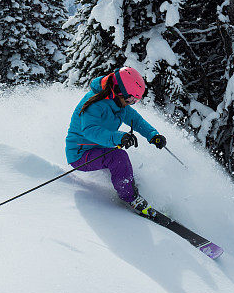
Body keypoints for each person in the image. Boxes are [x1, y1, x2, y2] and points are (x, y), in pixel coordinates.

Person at [65, 67, 167, 214]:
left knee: (120, 159)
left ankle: (128, 185)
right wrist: (119, 137)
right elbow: (90, 131)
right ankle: (131, 198)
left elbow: (136, 120)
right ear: (120, 91)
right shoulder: (94, 104)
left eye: (135, 100)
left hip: (99, 148)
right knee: (118, 157)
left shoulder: (118, 103)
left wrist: (153, 135)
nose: (131, 103)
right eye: (131, 99)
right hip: (81, 154)